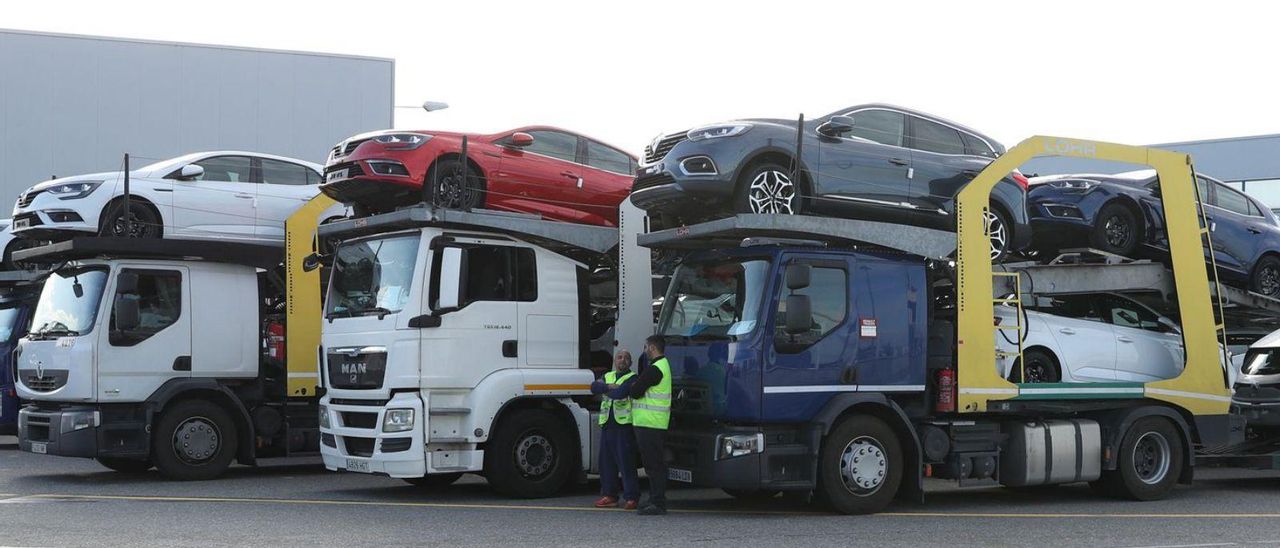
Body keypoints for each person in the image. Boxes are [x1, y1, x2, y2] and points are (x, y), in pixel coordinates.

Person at [590, 350, 640, 510]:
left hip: (623, 426)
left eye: (626, 358)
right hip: (607, 424)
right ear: (614, 361)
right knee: (606, 463)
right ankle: (609, 495)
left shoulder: (633, 378)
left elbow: (620, 393)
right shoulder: (608, 376)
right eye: (619, 357)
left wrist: (605, 389)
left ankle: (632, 497)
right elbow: (593, 387)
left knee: (626, 463)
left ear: (630, 363)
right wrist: (608, 386)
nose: (622, 360)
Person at [629, 335, 671, 516]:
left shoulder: (655, 369)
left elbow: (635, 392)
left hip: (650, 423)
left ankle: (658, 502)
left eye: (646, 347)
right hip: (653, 423)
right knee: (653, 465)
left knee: (654, 466)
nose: (645, 351)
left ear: (653, 348)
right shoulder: (663, 366)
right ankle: (654, 499)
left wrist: (633, 385)